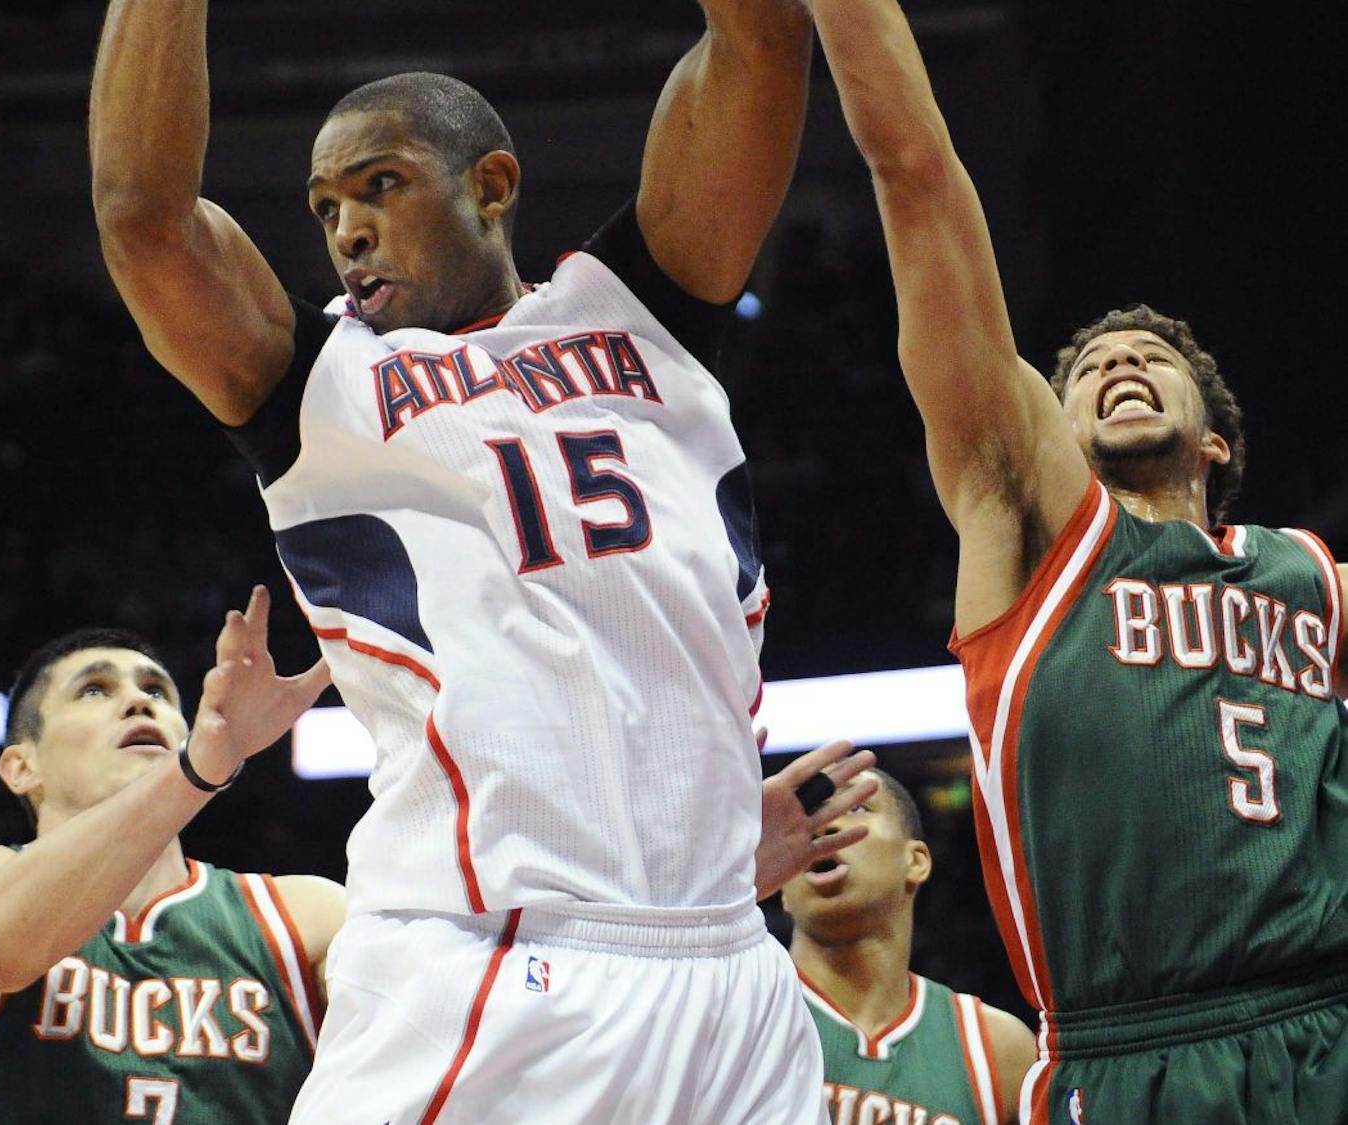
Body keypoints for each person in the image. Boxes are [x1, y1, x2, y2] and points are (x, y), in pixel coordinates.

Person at [89, 1, 878, 1121]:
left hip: (729, 970)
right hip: (487, 956)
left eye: (380, 185)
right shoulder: (315, 383)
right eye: (324, 209)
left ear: (492, 186)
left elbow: (760, 42)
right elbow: (142, 218)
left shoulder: (642, 309)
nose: (346, 229)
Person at [807, 0, 1348, 1120]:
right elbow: (915, 171)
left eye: (1152, 357)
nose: (1122, 364)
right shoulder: (1034, 523)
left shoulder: (1312, 577)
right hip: (1133, 1048)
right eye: (1093, 367)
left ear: (1215, 439)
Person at [0, 588, 344, 1124]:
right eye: (93, 691)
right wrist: (195, 773)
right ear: (22, 766)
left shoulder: (305, 914)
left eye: (157, 690)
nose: (139, 701)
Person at [784, 769, 1033, 1124]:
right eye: (810, 815)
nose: (825, 827)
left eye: (856, 808)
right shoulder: (736, 1016)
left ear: (915, 861)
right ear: (782, 885)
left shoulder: (998, 1049)